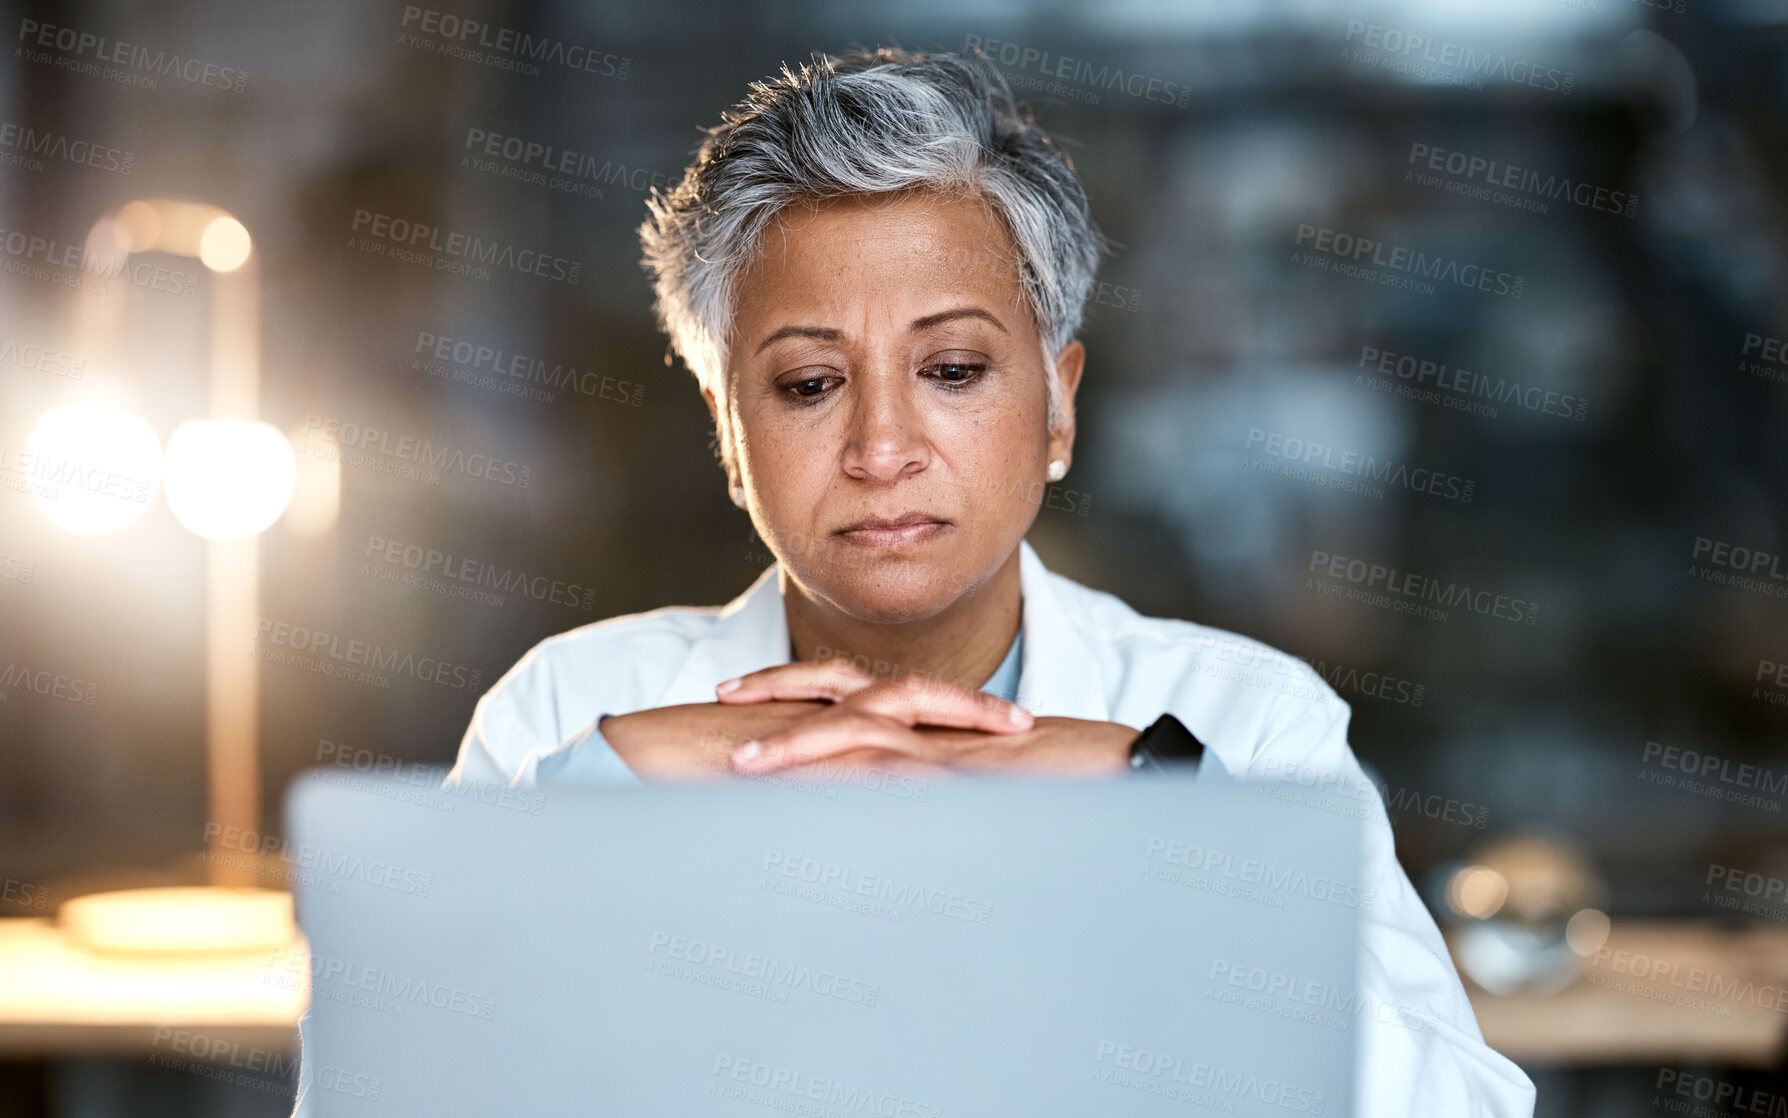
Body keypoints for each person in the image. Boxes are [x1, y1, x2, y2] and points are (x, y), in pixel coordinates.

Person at [291, 46, 1536, 1117]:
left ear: (1058, 405)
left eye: (951, 368)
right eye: (808, 383)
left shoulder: (1243, 725)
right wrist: (596, 794)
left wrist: (1167, 812)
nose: (882, 448)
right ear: (730, 436)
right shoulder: (568, 712)